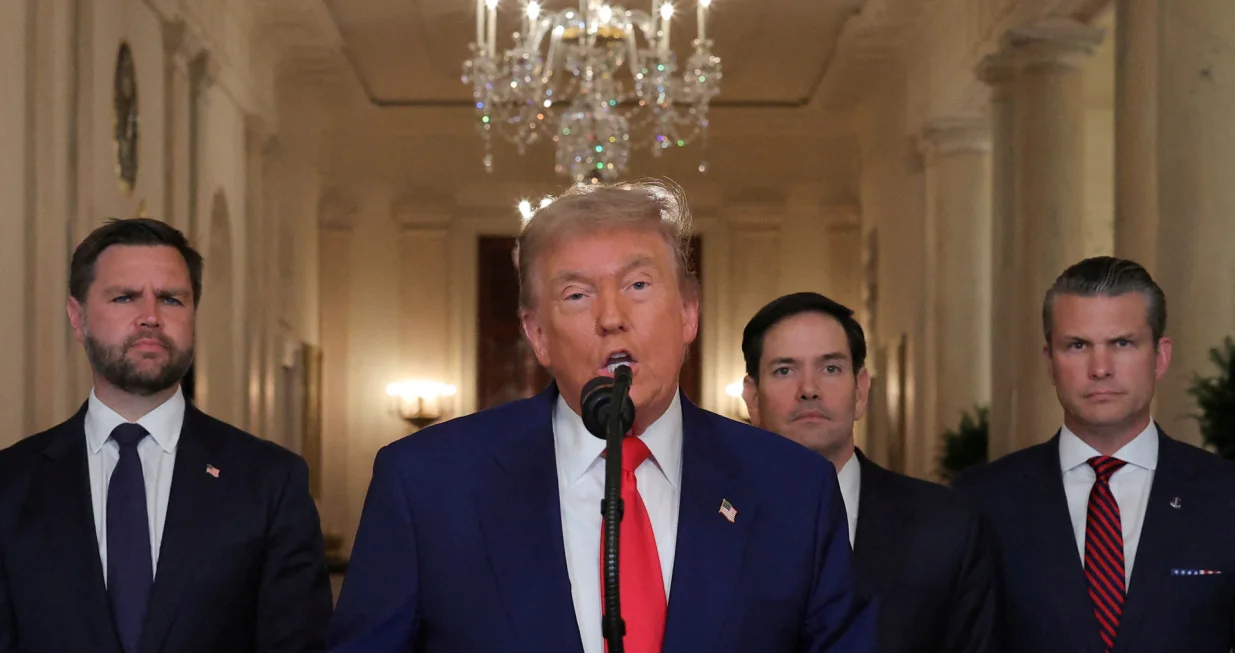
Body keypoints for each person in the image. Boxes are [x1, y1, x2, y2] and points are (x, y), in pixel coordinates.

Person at [328, 180, 875, 653]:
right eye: (576, 295)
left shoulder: (794, 488)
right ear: (538, 336)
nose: (612, 317)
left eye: (638, 285)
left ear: (688, 314)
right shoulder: (426, 484)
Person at [0, 218, 333, 653]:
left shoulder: (270, 481)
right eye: (125, 297)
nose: (151, 318)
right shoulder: (10, 483)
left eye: (171, 299)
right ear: (78, 319)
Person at [953, 256, 1235, 653]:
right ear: (1050, 362)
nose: (1100, 368)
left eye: (1122, 343)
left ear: (1161, 357)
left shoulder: (1226, 495)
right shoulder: (983, 501)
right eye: (1077, 345)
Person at [740, 291, 1000, 653]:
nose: (809, 389)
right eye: (785, 370)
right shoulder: (709, 524)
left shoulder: (947, 527)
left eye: (830, 368)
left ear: (861, 391)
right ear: (753, 399)